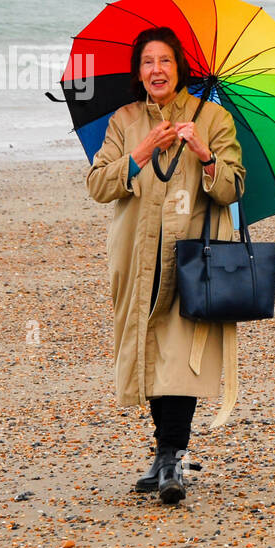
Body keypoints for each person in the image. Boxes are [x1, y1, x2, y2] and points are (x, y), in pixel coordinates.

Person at [86, 27, 246, 505]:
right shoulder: (125, 121)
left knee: (180, 356)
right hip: (136, 256)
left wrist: (205, 156)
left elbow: (234, 188)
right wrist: (139, 154)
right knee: (150, 350)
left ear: (180, 69)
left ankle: (173, 456)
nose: (157, 69)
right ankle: (163, 456)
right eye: (148, 62)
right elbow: (97, 185)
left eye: (166, 61)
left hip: (192, 256)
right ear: (139, 72)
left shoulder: (213, 119)